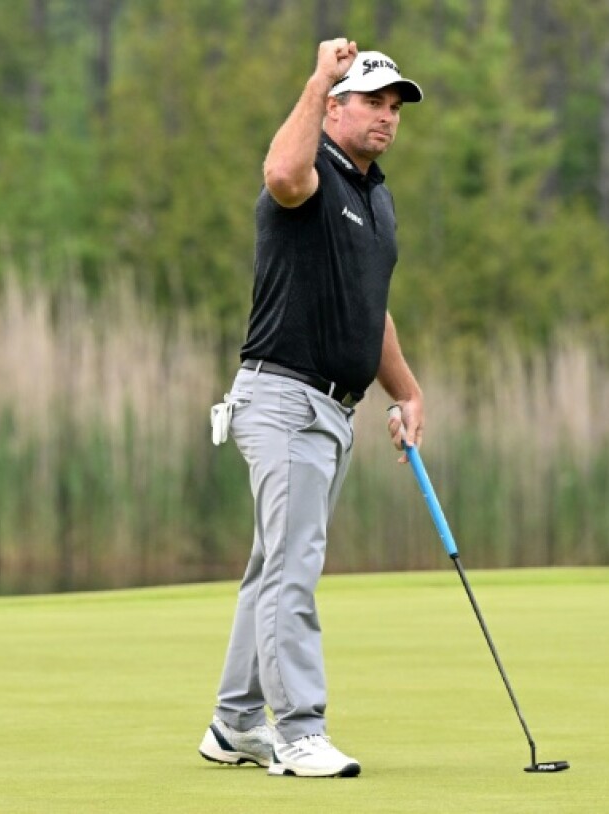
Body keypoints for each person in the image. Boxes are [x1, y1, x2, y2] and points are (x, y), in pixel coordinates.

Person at [198, 39, 425, 779]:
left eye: (395, 107)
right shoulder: (311, 170)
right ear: (335, 108)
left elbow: (371, 310)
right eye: (372, 102)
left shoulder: (376, 196)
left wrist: (407, 392)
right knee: (294, 566)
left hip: (334, 410)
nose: (387, 118)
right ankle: (297, 731)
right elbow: (280, 175)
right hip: (283, 399)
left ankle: (234, 723)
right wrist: (316, 79)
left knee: (273, 566)